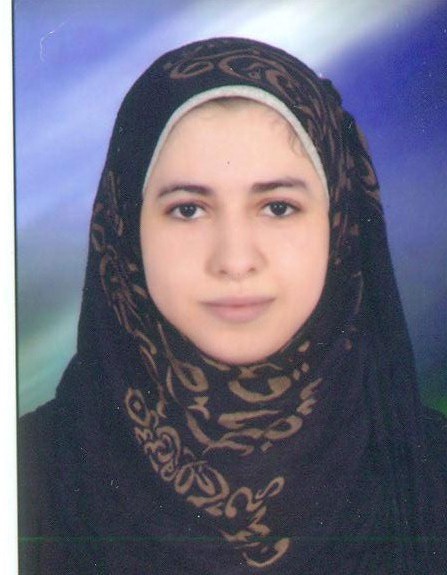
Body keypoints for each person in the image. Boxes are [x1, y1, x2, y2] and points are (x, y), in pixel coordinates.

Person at [18, 37, 446, 574]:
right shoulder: (23, 475)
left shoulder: (432, 472)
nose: (235, 260)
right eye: (189, 209)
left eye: (278, 207)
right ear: (126, 228)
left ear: (339, 225)